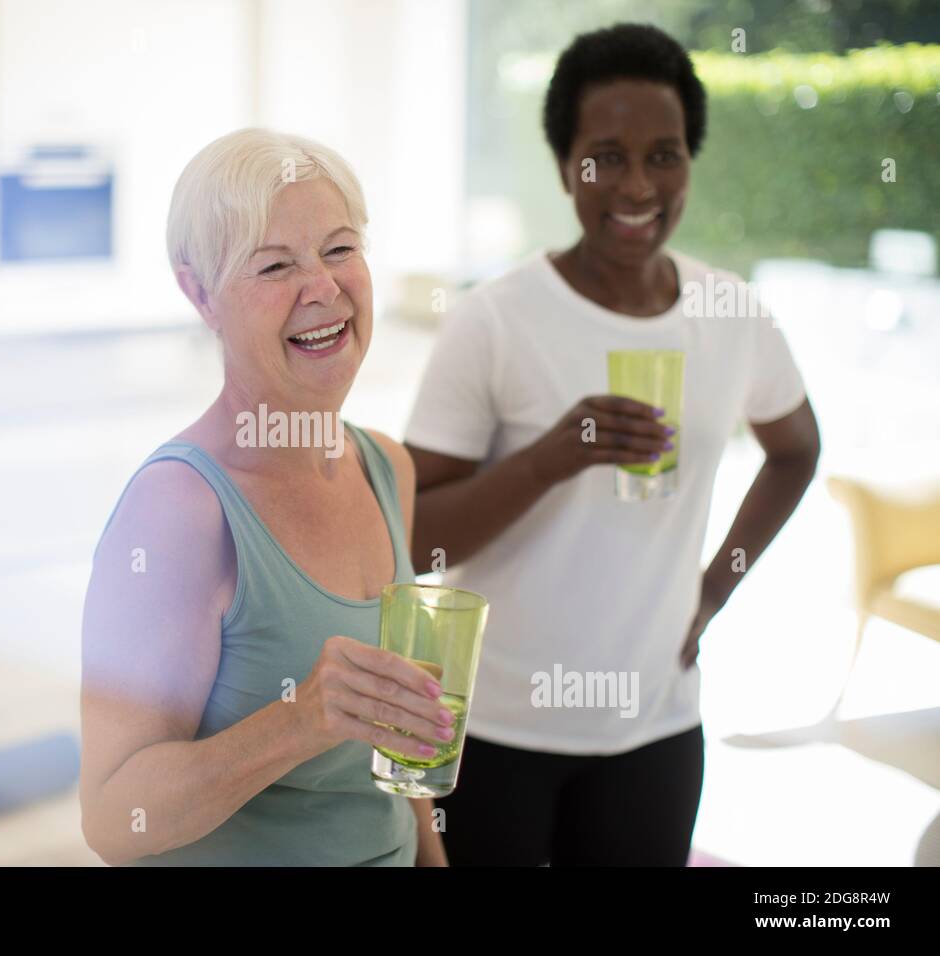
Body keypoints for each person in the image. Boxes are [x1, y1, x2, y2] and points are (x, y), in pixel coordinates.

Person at [405, 23, 821, 866]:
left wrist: (714, 591)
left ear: (689, 164)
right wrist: (551, 458)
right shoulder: (494, 319)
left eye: (664, 155)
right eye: (605, 156)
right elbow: (415, 538)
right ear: (565, 166)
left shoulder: (730, 312)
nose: (636, 184)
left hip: (657, 730)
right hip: (496, 729)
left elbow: (797, 450)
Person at [79, 128, 452, 866]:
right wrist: (302, 719)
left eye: (340, 249)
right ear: (200, 294)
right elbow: (115, 820)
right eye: (276, 264)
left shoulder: (387, 468)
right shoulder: (181, 510)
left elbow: (401, 753)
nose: (323, 287)